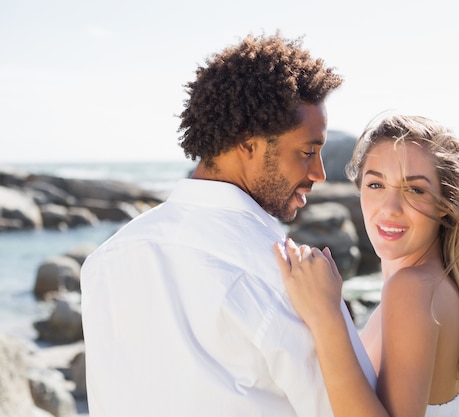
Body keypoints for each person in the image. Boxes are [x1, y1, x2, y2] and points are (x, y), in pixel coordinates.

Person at [80, 32, 376, 417]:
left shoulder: (105, 261)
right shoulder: (287, 278)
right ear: (248, 144)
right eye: (307, 152)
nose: (319, 173)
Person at [274, 114, 459, 417]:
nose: (390, 208)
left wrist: (327, 316)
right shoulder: (432, 283)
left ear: (444, 204)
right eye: (376, 184)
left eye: (414, 189)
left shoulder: (412, 289)